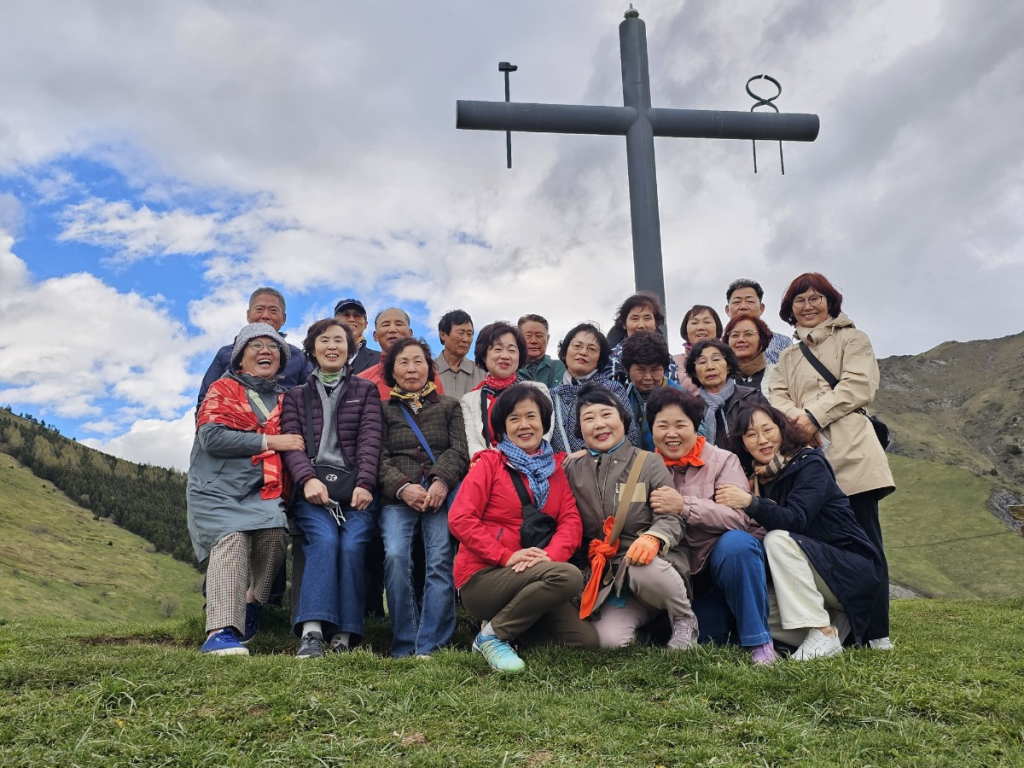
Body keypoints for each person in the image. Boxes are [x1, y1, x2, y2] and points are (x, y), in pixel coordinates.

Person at [769, 272, 895, 648]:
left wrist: (810, 417)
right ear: (790, 310)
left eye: (815, 298)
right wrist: (798, 422)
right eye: (799, 301)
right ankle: (838, 625)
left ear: (830, 302)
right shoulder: (788, 356)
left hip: (853, 451)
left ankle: (877, 634)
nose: (807, 306)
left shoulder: (853, 339)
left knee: (866, 541)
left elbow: (859, 385)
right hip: (808, 457)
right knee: (818, 539)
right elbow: (776, 395)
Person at [715, 403, 885, 659]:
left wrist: (749, 502)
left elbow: (796, 520)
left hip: (847, 570)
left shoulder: (810, 463)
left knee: (778, 540)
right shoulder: (760, 478)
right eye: (751, 435)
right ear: (743, 443)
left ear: (782, 429)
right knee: (754, 611)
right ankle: (838, 627)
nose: (762, 440)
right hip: (816, 577)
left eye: (767, 430)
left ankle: (822, 632)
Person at [449, 384, 599, 673]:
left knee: (585, 640)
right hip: (484, 576)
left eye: (531, 416)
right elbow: (460, 518)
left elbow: (570, 521)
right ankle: (491, 637)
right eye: (514, 419)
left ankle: (503, 626)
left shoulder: (556, 469)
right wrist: (506, 556)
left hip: (538, 573)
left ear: (543, 421)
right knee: (567, 577)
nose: (524, 425)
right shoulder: (489, 464)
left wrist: (549, 557)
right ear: (503, 426)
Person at [187, 322, 304, 655]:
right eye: (256, 346)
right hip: (216, 486)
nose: (265, 351)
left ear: (282, 359)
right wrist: (270, 440)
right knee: (233, 539)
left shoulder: (287, 398)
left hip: (262, 488)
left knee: (275, 534)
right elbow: (211, 437)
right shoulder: (223, 389)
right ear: (240, 357)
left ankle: (251, 602)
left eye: (273, 347)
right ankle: (219, 632)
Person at [644, 388, 775, 665]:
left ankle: (760, 640)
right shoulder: (646, 465)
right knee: (709, 636)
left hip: (721, 559)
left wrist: (683, 506)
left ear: (695, 427)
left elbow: (740, 518)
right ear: (651, 429)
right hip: (683, 571)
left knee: (738, 543)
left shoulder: (722, 460)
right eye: (662, 425)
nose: (672, 434)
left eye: (681, 425)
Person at [563, 383, 697, 650]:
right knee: (609, 641)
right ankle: (652, 629)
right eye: (589, 418)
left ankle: (684, 619)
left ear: (622, 419)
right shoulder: (572, 468)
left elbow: (673, 518)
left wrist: (653, 538)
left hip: (652, 566)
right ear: (579, 429)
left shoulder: (648, 462)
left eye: (606, 414)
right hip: (610, 577)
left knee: (641, 564)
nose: (599, 424)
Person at [280, 319, 383, 659]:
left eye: (340, 340)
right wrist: (307, 479)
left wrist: (367, 483)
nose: (333, 346)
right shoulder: (295, 395)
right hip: (312, 493)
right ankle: (312, 633)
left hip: (357, 493)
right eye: (325, 340)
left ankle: (344, 633)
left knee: (353, 544)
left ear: (351, 348)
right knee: (323, 540)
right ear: (312, 348)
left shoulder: (365, 390)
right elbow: (292, 444)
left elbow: (371, 441)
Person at [378, 337, 469, 657]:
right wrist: (402, 487)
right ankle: (405, 642)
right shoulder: (382, 410)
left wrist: (440, 482)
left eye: (418, 361)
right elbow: (377, 457)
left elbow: (459, 451)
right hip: (397, 499)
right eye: (403, 362)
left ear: (429, 368)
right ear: (392, 371)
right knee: (396, 557)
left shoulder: (449, 406)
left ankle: (431, 642)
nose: (411, 368)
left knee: (440, 559)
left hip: (438, 495)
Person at [197, 287, 313, 410]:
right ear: (248, 315)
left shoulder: (298, 357)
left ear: (283, 319)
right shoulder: (225, 354)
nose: (265, 316)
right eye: (259, 309)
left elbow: (311, 400)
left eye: (273, 311)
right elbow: (204, 402)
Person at [461, 321, 550, 459]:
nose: (505, 356)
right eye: (497, 349)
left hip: (532, 465)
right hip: (490, 469)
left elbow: (545, 433)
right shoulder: (469, 400)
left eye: (512, 350)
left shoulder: (539, 390)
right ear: (484, 355)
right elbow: (472, 442)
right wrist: (494, 463)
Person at [548, 323, 637, 453]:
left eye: (592, 349)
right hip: (560, 471)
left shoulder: (612, 390)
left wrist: (587, 454)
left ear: (600, 358)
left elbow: (630, 436)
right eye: (577, 346)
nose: (583, 352)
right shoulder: (551, 395)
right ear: (565, 350)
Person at [685, 339, 766, 450]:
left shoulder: (752, 398)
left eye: (716, 359)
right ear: (694, 371)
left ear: (728, 366)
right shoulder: (690, 407)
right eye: (702, 362)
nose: (710, 367)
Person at [358, 307, 444, 400]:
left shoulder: (429, 376)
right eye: (385, 325)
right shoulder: (362, 381)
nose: (392, 329)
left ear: (410, 333)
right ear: (375, 336)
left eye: (399, 324)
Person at [619, 330, 681, 451]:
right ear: (627, 370)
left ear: (664, 369)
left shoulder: (681, 397)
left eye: (655, 370)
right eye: (640, 370)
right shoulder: (620, 399)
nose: (648, 377)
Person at [607, 292, 680, 383]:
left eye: (647, 318)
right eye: (634, 319)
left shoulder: (667, 358)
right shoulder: (611, 358)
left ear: (655, 324)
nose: (641, 325)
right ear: (624, 324)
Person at [724, 278, 792, 364]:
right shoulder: (718, 345)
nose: (743, 306)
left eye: (750, 301)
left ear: (761, 308)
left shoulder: (782, 342)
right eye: (737, 302)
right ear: (727, 310)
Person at [671, 304, 724, 391]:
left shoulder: (730, 359)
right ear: (685, 329)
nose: (701, 328)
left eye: (707, 322)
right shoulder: (673, 363)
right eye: (694, 323)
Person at [435, 309, 485, 399]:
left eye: (469, 334)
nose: (466, 339)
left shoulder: (483, 373)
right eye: (460, 333)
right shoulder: (427, 371)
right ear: (443, 335)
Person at [723, 314, 775, 398]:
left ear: (762, 340)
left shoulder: (780, 374)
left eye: (748, 334)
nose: (741, 339)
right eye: (735, 335)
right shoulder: (721, 379)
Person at [517, 314, 567, 389]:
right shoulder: (509, 367)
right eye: (528, 336)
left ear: (548, 338)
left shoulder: (562, 368)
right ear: (518, 338)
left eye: (539, 336)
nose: (533, 341)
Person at [334, 298, 381, 375]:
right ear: (334, 322)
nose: (351, 319)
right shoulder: (315, 357)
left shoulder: (379, 360)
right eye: (346, 314)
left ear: (365, 325)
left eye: (357, 315)